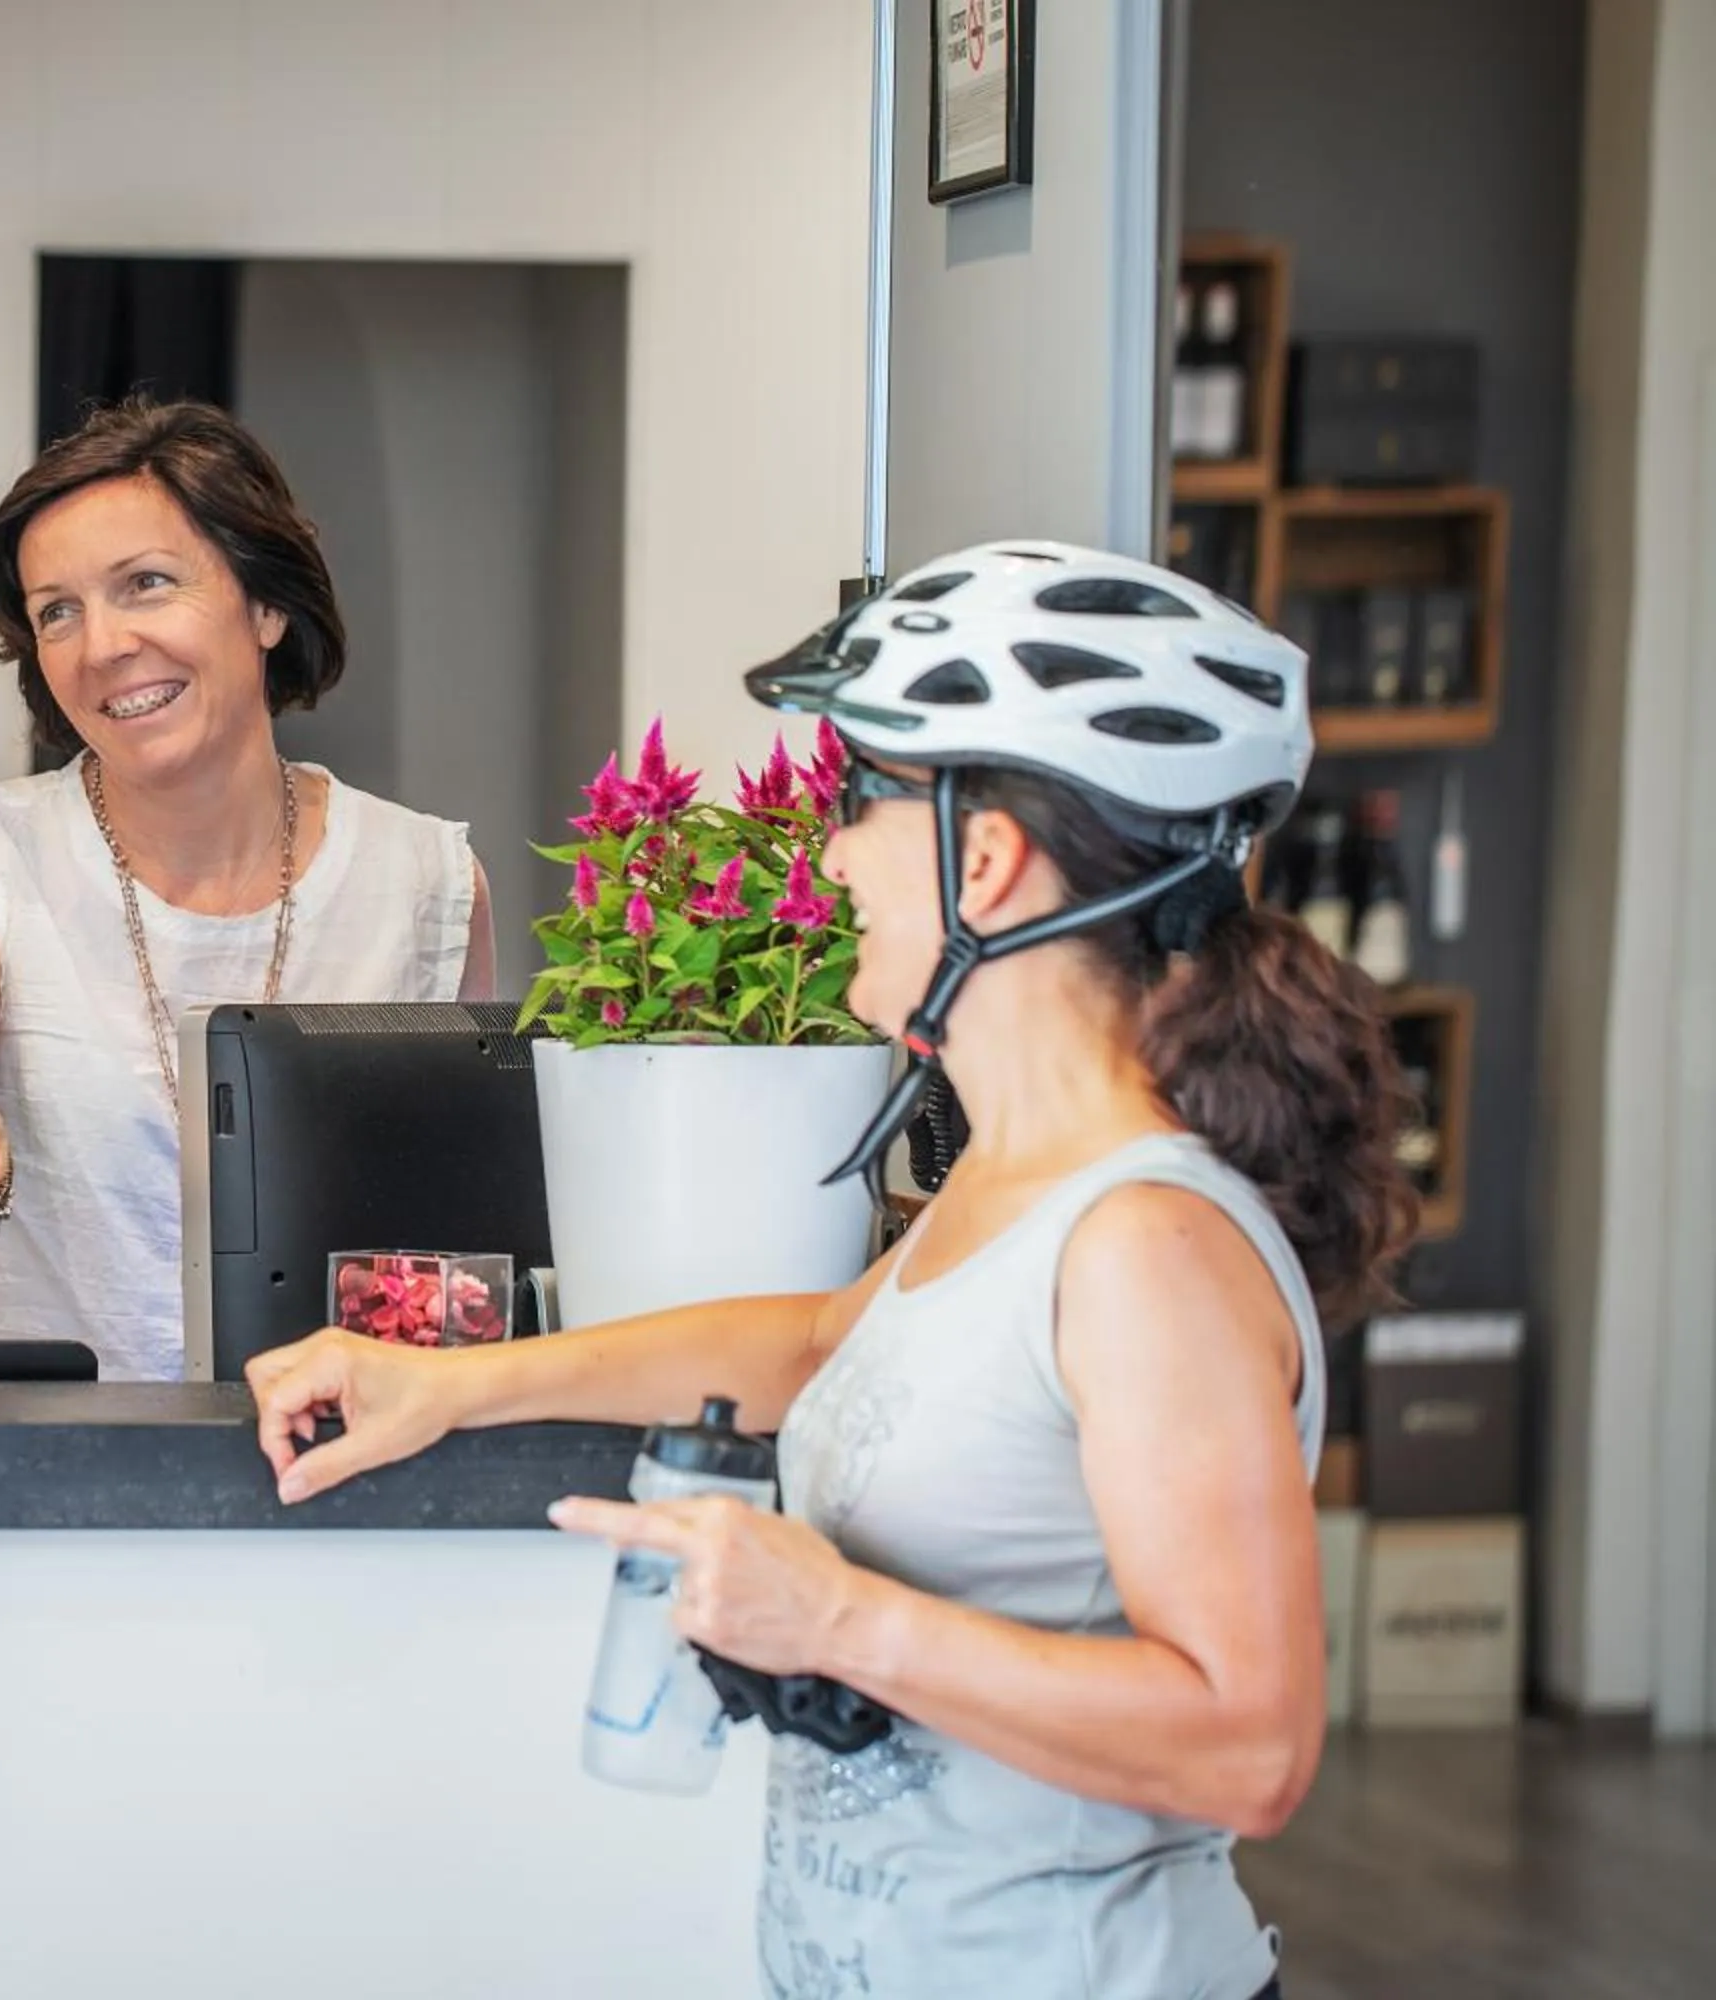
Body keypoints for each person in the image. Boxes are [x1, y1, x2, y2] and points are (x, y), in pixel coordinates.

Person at [248, 542, 1417, 2000]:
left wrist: (841, 1620)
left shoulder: (1147, 1244)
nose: (833, 853)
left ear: (985, 859)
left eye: (865, 800)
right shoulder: (1014, 1174)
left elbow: (1250, 1745)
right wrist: (448, 1384)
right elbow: (817, 1345)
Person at [0, 399, 496, 1381]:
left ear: (267, 605)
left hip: (312, 1451)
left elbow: (451, 1241)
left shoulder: (424, 881)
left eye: (147, 584)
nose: (101, 646)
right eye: (57, 611)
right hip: (9, 1452)